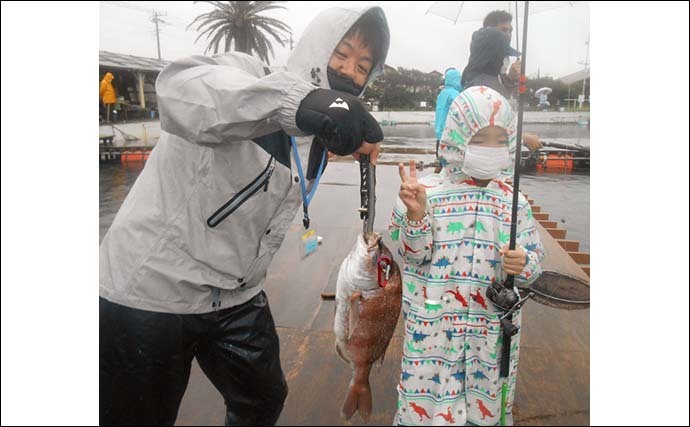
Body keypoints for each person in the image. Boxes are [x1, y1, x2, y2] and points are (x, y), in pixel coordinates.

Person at [99, 6, 390, 426]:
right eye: (341, 53)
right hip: (152, 288)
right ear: (316, 45)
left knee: (264, 398)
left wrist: (348, 137)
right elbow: (178, 91)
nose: (349, 70)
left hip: (235, 292)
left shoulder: (317, 138)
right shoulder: (246, 73)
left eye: (363, 66)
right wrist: (300, 100)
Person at [389, 86, 544, 426]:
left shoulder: (514, 202)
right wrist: (415, 215)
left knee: (483, 414)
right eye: (480, 138)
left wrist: (523, 263)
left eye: (499, 139)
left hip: (489, 339)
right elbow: (411, 256)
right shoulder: (425, 192)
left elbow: (534, 268)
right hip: (433, 336)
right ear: (457, 135)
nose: (490, 149)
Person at [462, 26, 542, 152]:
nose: (505, 60)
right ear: (495, 56)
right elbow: (486, 133)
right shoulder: (483, 88)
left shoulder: (472, 76)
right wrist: (523, 139)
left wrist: (510, 80)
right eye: (504, 56)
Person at [434, 68, 462, 160]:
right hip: (450, 136)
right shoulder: (455, 94)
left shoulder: (442, 93)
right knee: (451, 165)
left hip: (439, 134)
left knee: (441, 161)